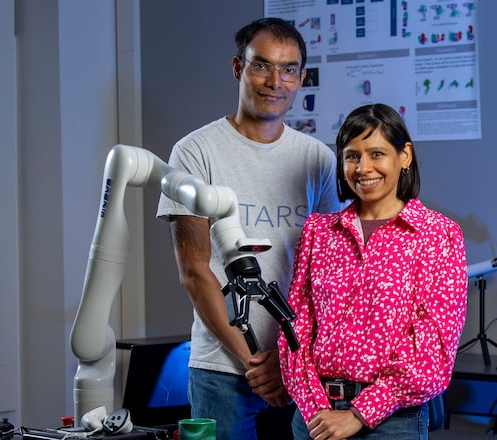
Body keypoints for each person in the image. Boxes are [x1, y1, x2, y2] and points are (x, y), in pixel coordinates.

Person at [156, 17, 341, 440]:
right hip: (222, 368)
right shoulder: (195, 151)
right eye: (261, 66)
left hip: (301, 368)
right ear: (238, 68)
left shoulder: (317, 159)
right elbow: (194, 270)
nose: (275, 81)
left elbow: (327, 273)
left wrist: (290, 359)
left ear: (301, 79)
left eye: (289, 69)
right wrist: (257, 361)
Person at [278, 103, 468, 439]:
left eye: (376, 153)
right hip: (315, 417)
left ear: (404, 156)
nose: (363, 168)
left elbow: (433, 348)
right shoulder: (319, 232)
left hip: (393, 421)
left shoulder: (437, 234)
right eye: (352, 156)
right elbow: (295, 329)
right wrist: (315, 407)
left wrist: (359, 414)